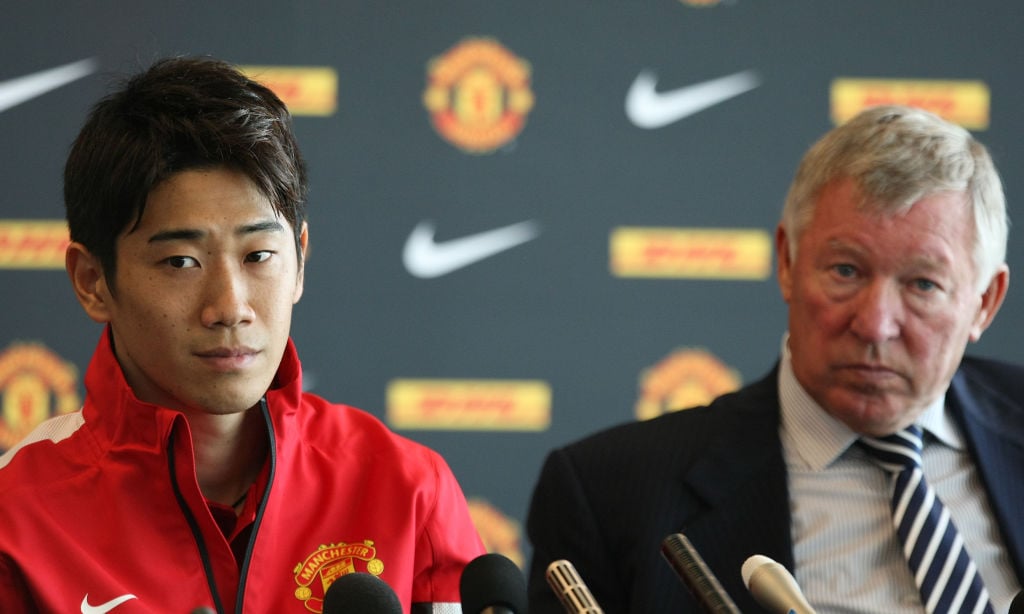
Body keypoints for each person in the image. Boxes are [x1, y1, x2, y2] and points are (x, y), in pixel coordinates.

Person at [0, 56, 485, 613]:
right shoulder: (16, 521)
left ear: (299, 262)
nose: (230, 306)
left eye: (259, 255)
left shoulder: (407, 488)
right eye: (181, 262)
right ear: (93, 282)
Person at [525, 105, 1024, 613]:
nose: (875, 324)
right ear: (787, 262)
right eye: (846, 271)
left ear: (985, 301)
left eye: (923, 284)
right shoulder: (612, 494)